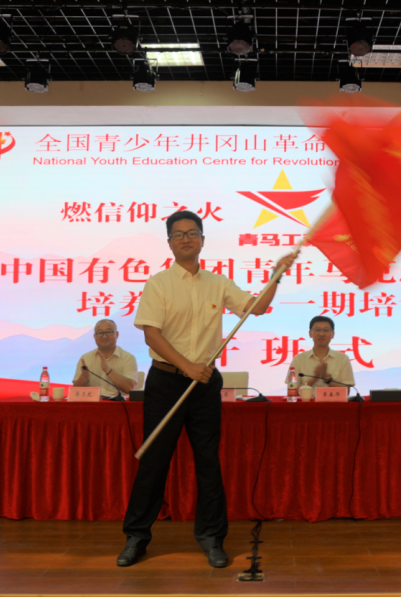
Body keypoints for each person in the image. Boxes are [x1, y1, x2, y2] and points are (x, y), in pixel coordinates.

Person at [118, 210, 296, 569]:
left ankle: (212, 539)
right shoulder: (158, 284)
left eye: (192, 233)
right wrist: (187, 367)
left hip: (204, 386)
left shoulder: (218, 283)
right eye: (178, 234)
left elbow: (257, 308)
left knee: (208, 463)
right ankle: (136, 537)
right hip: (166, 382)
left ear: (202, 240)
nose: (186, 238)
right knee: (154, 462)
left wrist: (276, 275)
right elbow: (151, 334)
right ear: (170, 243)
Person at [72, 319, 138, 400]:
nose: (104, 336)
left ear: (117, 334)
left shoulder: (128, 358)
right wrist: (83, 377)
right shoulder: (85, 358)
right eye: (100, 333)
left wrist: (107, 370)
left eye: (109, 332)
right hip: (92, 404)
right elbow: (75, 392)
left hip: (119, 404)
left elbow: (129, 388)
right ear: (94, 336)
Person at [286, 316, 355, 389]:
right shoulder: (299, 359)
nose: (321, 334)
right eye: (317, 330)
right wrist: (313, 379)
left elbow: (347, 390)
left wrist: (328, 380)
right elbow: (292, 389)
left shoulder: (342, 359)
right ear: (310, 333)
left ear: (332, 334)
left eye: (326, 330)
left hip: (332, 397)